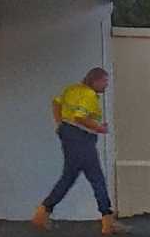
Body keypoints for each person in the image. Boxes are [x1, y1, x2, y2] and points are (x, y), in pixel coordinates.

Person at [31, 67, 129, 235]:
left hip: (69, 138)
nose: (106, 84)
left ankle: (42, 213)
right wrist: (99, 128)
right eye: (104, 81)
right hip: (82, 141)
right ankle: (108, 221)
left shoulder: (72, 89)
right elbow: (80, 116)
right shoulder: (90, 95)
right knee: (96, 179)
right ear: (95, 81)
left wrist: (60, 124)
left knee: (68, 177)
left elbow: (56, 102)